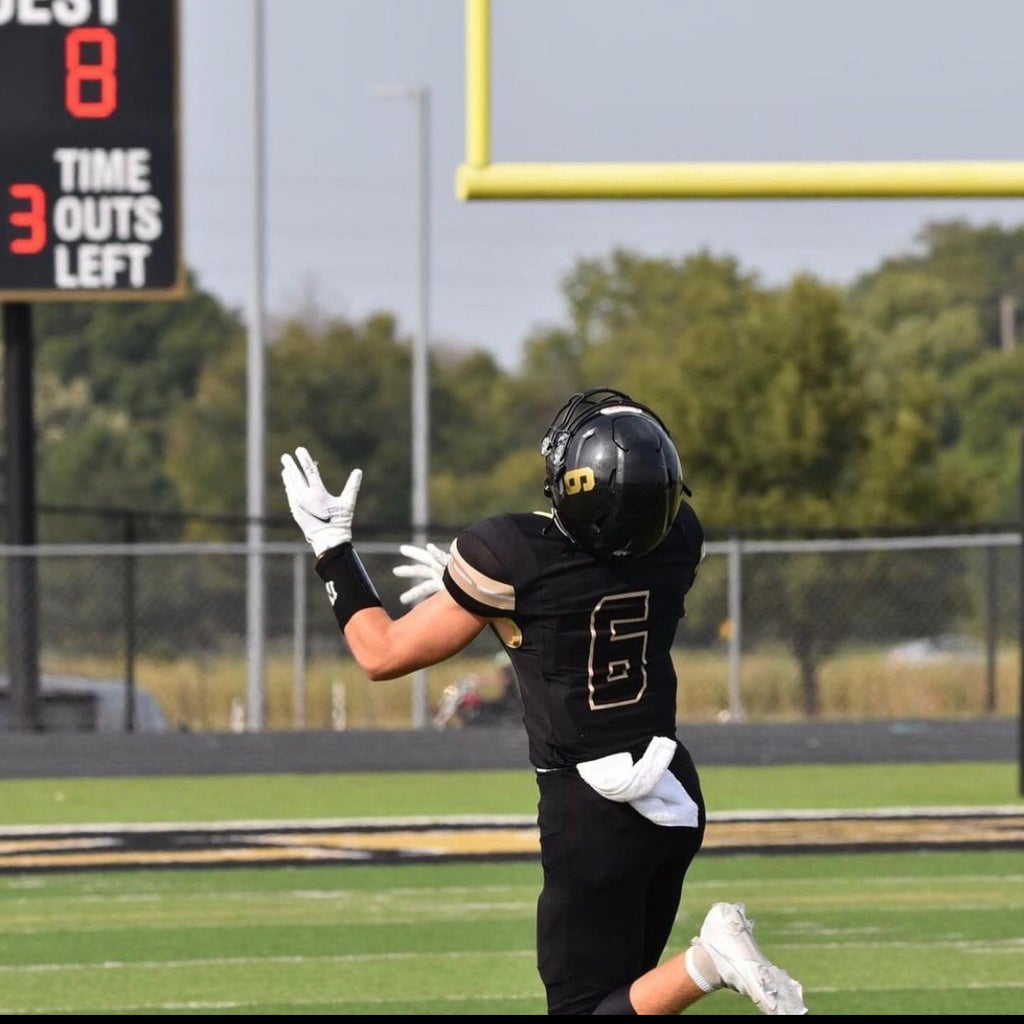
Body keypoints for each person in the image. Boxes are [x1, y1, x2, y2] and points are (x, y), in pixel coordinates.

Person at [281, 386, 808, 1016]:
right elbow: (587, 584)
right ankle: (706, 960)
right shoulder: (679, 542)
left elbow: (381, 652)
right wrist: (481, 600)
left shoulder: (512, 556)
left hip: (591, 808)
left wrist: (333, 551)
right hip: (671, 792)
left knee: (583, 1011)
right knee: (624, 1001)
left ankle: (708, 960)